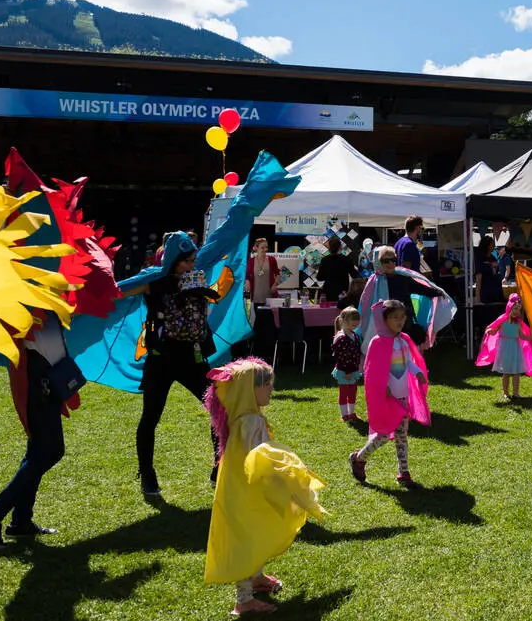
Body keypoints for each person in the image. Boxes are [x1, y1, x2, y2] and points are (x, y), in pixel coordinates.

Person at [203, 357, 324, 616]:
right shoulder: (251, 422)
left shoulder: (244, 417)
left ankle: (256, 578)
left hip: (242, 488)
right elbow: (258, 458)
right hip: (249, 491)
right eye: (267, 385)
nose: (271, 389)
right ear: (250, 390)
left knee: (254, 534)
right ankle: (244, 599)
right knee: (247, 540)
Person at [121, 233, 220, 496]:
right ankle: (147, 474)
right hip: (161, 359)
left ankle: (219, 467)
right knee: (150, 416)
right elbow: (119, 292)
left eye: (193, 260)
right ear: (173, 260)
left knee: (219, 408)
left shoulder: (198, 278)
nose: (191, 265)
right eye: (186, 261)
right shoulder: (154, 282)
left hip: (193, 358)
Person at [0, 312, 72, 548]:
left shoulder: (48, 304)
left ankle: (20, 521)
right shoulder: (23, 305)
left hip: (49, 383)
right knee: (49, 452)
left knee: (37, 453)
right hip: (39, 388)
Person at [349, 300, 430, 488]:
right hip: (387, 398)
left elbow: (407, 361)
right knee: (383, 435)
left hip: (402, 398)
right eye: (395, 317)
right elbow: (372, 370)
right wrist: (382, 386)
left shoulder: (403, 340)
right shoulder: (378, 342)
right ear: (385, 320)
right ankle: (358, 458)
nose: (400, 321)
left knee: (402, 436)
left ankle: (404, 472)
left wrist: (417, 371)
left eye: (402, 317)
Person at [358, 245, 450, 348]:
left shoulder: (402, 277)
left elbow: (420, 288)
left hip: (405, 321)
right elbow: (365, 303)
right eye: (386, 260)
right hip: (385, 323)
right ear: (379, 262)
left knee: (407, 351)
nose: (390, 263)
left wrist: (438, 292)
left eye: (393, 259)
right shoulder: (374, 282)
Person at [477, 294, 532, 401]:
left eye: (518, 309)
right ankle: (505, 393)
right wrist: (490, 331)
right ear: (509, 307)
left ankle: (516, 393)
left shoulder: (519, 323)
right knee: (507, 372)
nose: (516, 311)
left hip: (515, 348)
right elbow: (494, 330)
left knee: (516, 372)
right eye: (515, 308)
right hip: (505, 348)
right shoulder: (502, 320)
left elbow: (522, 336)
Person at [331, 307, 364, 422]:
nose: (356, 322)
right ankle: (344, 414)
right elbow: (341, 357)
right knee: (344, 392)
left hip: (353, 370)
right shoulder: (341, 338)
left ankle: (351, 413)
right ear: (344, 321)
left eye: (357, 319)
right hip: (344, 371)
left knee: (352, 392)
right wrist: (347, 372)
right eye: (352, 319)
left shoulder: (354, 335)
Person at [317, 237, 357, 304]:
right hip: (343, 291)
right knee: (342, 311)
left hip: (329, 291)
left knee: (329, 312)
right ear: (340, 247)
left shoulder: (325, 260)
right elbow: (354, 275)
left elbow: (319, 278)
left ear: (329, 248)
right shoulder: (346, 259)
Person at [245, 239, 280, 305]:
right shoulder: (251, 261)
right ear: (256, 248)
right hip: (256, 297)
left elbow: (278, 274)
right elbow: (247, 275)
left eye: (266, 247)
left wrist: (275, 284)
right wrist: (247, 281)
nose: (265, 249)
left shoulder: (272, 259)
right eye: (262, 248)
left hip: (270, 297)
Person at [475, 236, 505, 305]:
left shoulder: (493, 258)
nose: (494, 246)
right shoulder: (479, 259)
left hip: (497, 292)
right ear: (487, 246)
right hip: (486, 294)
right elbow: (478, 279)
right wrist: (478, 299)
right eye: (492, 244)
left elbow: (496, 273)